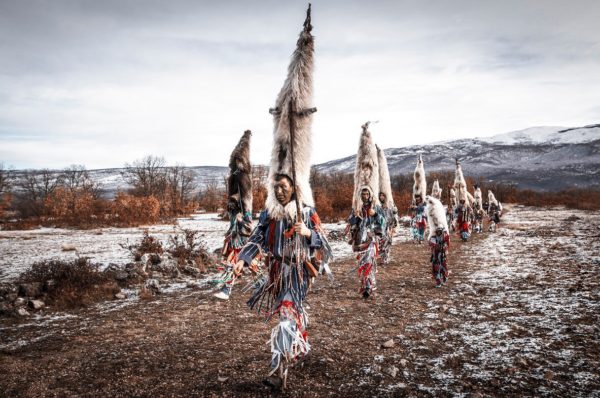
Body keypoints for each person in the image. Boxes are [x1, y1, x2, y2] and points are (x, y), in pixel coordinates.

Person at [233, 174, 329, 388]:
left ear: (294, 187)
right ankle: (299, 343)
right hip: (276, 273)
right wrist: (243, 259)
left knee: (286, 315)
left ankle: (277, 372)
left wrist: (307, 233)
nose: (279, 191)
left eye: (283, 187)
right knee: (289, 316)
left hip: (297, 273)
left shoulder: (306, 211)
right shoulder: (270, 213)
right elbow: (258, 236)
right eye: (275, 187)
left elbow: (323, 242)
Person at [348, 187, 386, 298]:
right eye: (363, 194)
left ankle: (368, 286)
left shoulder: (376, 207)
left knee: (369, 261)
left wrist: (374, 215)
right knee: (362, 263)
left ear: (370, 195)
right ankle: (365, 284)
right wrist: (355, 215)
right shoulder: (357, 208)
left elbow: (383, 222)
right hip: (360, 239)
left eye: (367, 194)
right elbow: (351, 221)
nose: (365, 196)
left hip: (371, 239)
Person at [378, 191, 398, 265]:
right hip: (381, 228)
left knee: (388, 243)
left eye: (383, 195)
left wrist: (393, 227)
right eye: (380, 196)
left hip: (388, 228)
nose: (381, 197)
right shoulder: (378, 206)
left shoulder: (391, 205)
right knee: (381, 244)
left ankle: (385, 258)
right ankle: (382, 257)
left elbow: (395, 216)